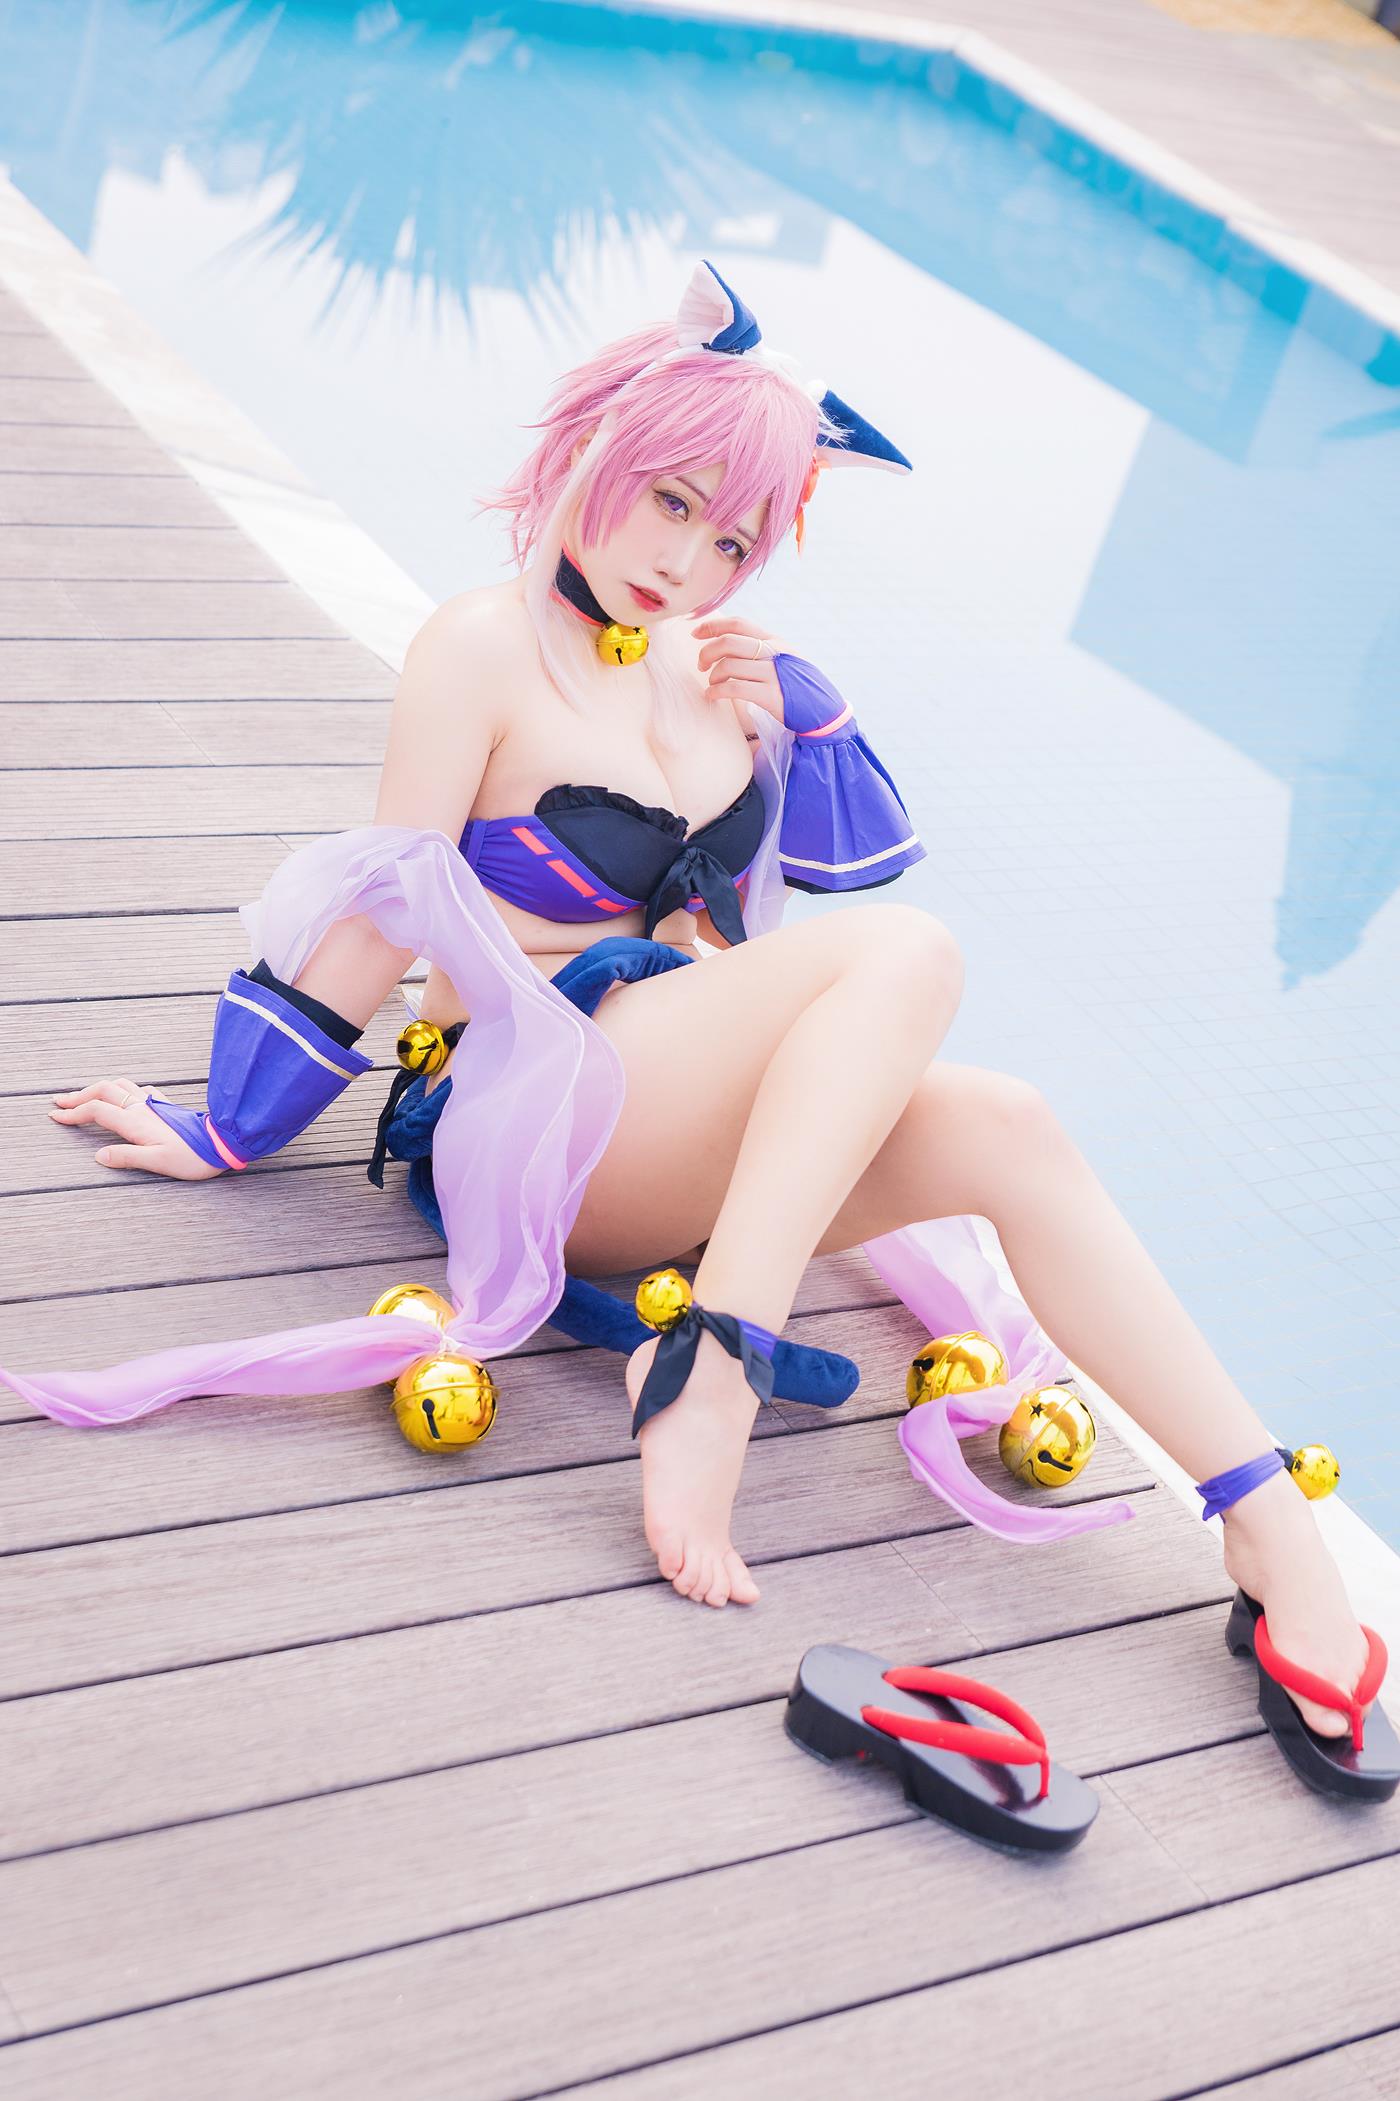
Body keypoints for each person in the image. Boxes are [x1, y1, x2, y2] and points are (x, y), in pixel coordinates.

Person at [21, 261, 1384, 1767]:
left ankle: (1267, 1521)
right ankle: (716, 1368)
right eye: (672, 504)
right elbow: (385, 901)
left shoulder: (720, 671)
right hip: (524, 1118)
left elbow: (755, 933)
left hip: (667, 1121)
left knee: (1011, 1123)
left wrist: (794, 727)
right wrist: (228, 1126)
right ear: (597, 450)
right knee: (912, 952)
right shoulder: (480, 645)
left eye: (732, 537)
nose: (689, 563)